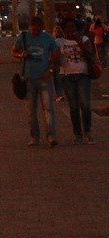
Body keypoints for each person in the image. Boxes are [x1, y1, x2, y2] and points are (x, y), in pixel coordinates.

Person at [13, 16, 61, 147]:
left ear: (42, 28)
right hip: (29, 78)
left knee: (48, 108)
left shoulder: (48, 38)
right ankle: (34, 136)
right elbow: (14, 51)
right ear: (30, 27)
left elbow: (57, 56)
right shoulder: (23, 37)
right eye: (33, 30)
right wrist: (20, 55)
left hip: (44, 78)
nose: (35, 33)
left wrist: (50, 70)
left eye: (38, 30)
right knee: (31, 111)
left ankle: (51, 136)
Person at [56, 17, 94, 144]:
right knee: (73, 107)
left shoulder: (84, 39)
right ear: (63, 29)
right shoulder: (59, 42)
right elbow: (54, 58)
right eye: (67, 27)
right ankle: (77, 134)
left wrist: (79, 41)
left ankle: (87, 131)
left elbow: (89, 54)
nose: (70, 30)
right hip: (67, 76)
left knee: (85, 105)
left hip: (82, 74)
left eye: (72, 27)